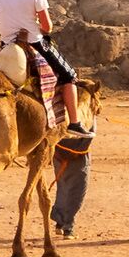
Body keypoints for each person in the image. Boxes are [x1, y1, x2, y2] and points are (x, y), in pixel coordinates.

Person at [49, 85, 97, 236]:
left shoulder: (61, 110)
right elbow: (90, 136)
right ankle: (68, 226)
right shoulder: (87, 114)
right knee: (77, 190)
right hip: (79, 156)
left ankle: (59, 222)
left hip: (59, 154)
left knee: (63, 188)